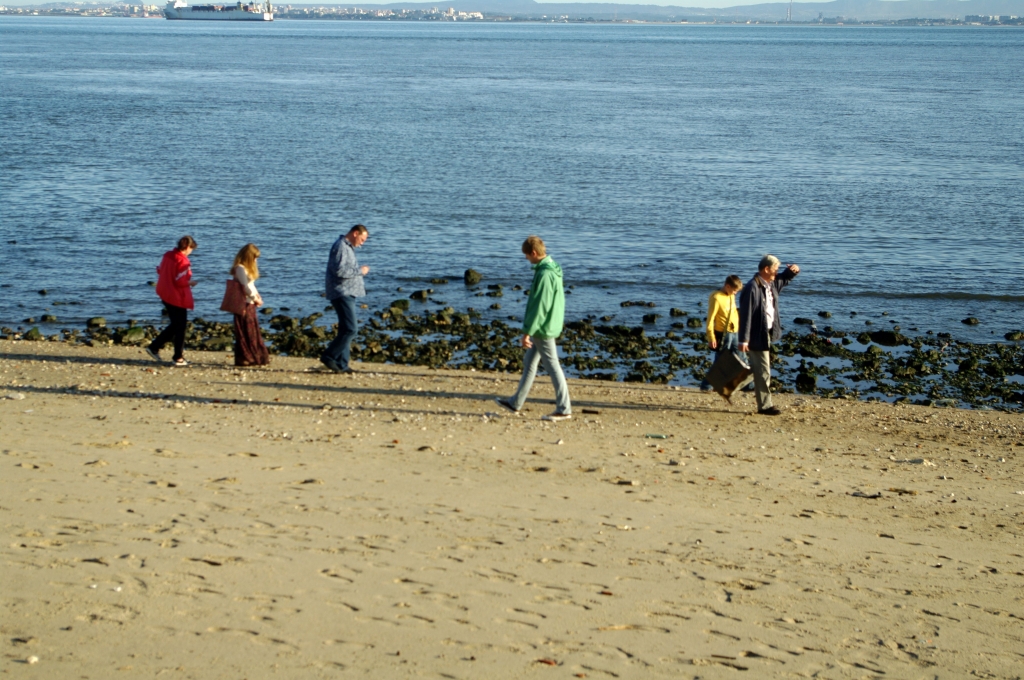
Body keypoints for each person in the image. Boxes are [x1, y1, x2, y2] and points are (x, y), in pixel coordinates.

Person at [495, 236, 572, 421]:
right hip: (548, 323)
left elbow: (540, 307)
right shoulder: (553, 267)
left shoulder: (544, 274)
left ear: (534, 253)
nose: (526, 258)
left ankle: (564, 408)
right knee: (529, 362)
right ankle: (515, 402)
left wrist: (527, 332)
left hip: (543, 327)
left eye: (527, 255)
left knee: (553, 366)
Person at [738, 255, 800, 416]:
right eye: (775, 269)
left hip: (767, 332)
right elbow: (745, 315)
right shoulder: (752, 287)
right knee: (764, 371)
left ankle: (728, 384)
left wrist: (792, 271)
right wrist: (743, 339)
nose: (777, 272)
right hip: (756, 334)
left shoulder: (770, 284)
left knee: (757, 368)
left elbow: (783, 279)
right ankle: (765, 406)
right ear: (766, 269)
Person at [321, 225, 369, 373]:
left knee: (345, 329)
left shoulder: (347, 246)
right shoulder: (341, 246)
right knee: (350, 329)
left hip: (348, 292)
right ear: (355, 233)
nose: (362, 243)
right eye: (362, 239)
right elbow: (339, 271)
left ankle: (342, 364)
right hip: (342, 292)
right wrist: (360, 271)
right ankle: (329, 356)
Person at [147, 235, 197, 367]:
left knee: (176, 324)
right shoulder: (183, 261)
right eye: (191, 249)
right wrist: (190, 282)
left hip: (164, 292)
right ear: (187, 247)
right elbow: (179, 281)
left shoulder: (168, 255)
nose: (191, 251)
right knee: (180, 326)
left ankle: (155, 347)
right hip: (175, 296)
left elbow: (160, 270)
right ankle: (177, 357)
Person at [699, 274, 743, 391]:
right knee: (721, 362)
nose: (735, 293)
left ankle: (746, 385)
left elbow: (733, 313)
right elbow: (710, 319)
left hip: (735, 332)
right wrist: (711, 337)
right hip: (723, 334)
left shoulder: (730, 295)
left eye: (737, 291)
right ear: (727, 286)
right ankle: (706, 386)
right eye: (734, 290)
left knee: (741, 357)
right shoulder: (716, 298)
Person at [230, 243, 270, 367]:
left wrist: (258, 296)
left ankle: (255, 356)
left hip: (250, 302)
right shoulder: (240, 268)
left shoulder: (246, 269)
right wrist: (255, 298)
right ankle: (246, 357)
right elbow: (245, 287)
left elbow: (251, 285)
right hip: (244, 304)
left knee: (251, 331)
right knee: (246, 331)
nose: (255, 260)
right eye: (254, 257)